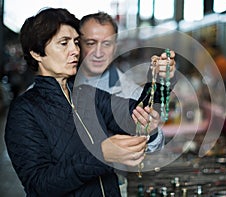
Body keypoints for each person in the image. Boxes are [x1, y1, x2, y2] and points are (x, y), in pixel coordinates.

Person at [4, 8, 176, 196]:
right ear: (37, 53)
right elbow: (39, 185)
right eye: (64, 43)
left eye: (76, 42)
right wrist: (100, 155)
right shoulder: (25, 111)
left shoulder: (87, 95)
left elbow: (137, 113)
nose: (75, 50)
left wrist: (158, 81)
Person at [77, 12, 172, 196]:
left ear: (116, 47)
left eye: (107, 43)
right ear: (78, 44)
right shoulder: (58, 88)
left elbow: (155, 146)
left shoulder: (130, 90)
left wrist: (150, 131)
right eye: (90, 43)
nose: (98, 52)